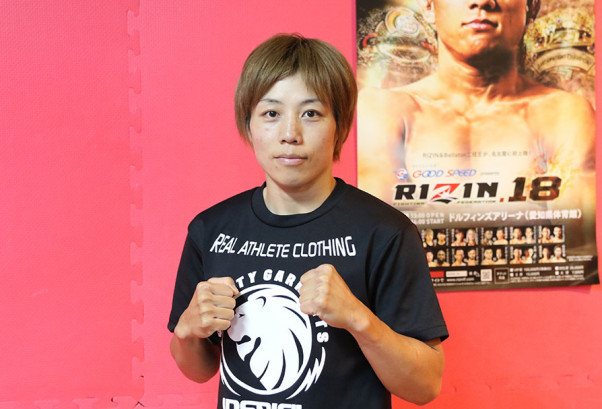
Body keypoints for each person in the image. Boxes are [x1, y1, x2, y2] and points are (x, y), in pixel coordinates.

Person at [167, 34, 448, 409]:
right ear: (248, 124)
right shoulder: (211, 229)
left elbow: (425, 385)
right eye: (271, 114)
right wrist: (188, 330)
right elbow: (199, 369)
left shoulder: (385, 232)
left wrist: (358, 319)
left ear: (339, 126)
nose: (290, 134)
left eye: (311, 113)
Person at [357, 0, 595, 212]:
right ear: (428, 5)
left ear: (531, 7)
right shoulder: (382, 111)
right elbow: (380, 235)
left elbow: (578, 238)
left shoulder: (566, 115)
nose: (481, 2)